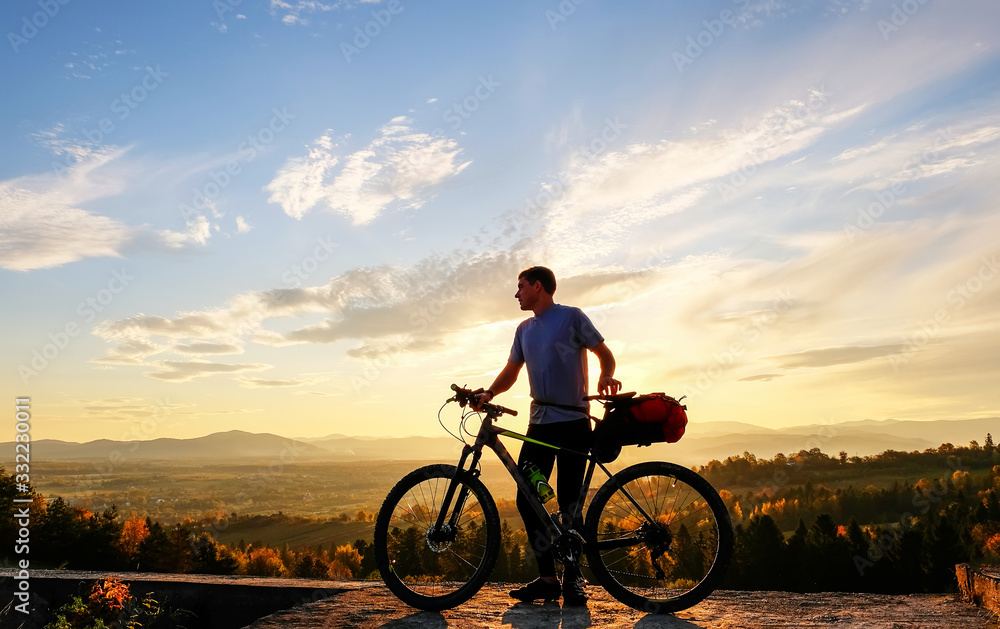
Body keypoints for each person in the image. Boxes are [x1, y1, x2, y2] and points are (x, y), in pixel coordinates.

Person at [473, 266, 621, 606]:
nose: (517, 293)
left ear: (538, 287)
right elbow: (511, 371)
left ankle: (573, 579)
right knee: (527, 497)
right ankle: (547, 578)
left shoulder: (572, 317)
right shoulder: (524, 329)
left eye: (521, 286)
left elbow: (604, 355)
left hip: (573, 422)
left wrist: (606, 376)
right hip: (539, 423)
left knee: (570, 503)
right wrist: (490, 393)